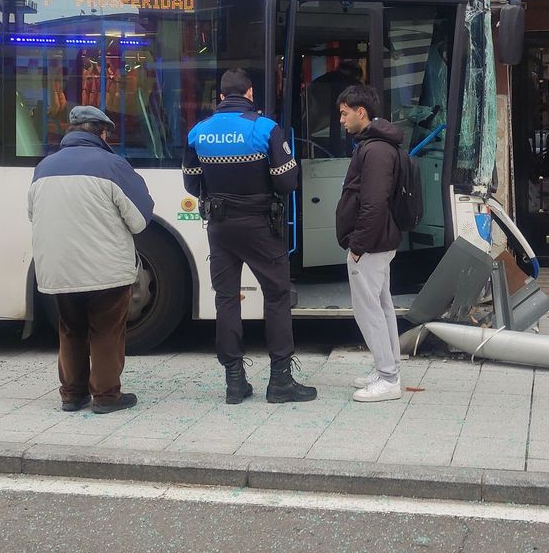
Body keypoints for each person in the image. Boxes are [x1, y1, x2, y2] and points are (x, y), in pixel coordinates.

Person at [184, 69, 317, 404]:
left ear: (219, 97)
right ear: (250, 93)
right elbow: (287, 182)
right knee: (276, 296)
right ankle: (280, 382)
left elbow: (191, 182)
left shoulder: (198, 132)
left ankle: (234, 381)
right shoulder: (264, 128)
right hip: (260, 226)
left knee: (226, 299)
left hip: (219, 227)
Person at [28, 106, 154, 414]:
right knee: (106, 329)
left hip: (58, 269)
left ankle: (72, 394)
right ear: (102, 133)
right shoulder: (113, 165)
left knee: (70, 328)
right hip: (106, 269)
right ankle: (106, 396)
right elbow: (140, 220)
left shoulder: (44, 167)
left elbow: (33, 214)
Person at [335, 84, 405, 403]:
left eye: (344, 113)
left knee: (368, 310)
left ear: (360, 112)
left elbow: (373, 202)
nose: (341, 120)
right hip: (378, 241)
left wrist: (358, 244)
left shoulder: (374, 150)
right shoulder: (377, 144)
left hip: (371, 244)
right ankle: (387, 368)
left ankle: (388, 378)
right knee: (382, 305)